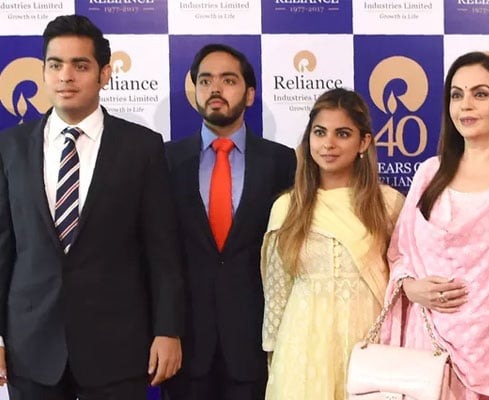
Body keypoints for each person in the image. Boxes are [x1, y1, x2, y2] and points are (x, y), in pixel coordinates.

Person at [0, 14, 185, 399]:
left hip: (117, 347)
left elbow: (163, 251)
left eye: (80, 65)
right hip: (30, 346)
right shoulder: (10, 147)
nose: (66, 76)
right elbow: (3, 249)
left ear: (105, 74)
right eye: (56, 65)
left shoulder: (143, 148)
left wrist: (168, 330)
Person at [381, 52, 489, 400]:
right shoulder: (429, 173)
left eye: (481, 93)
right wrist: (410, 287)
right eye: (457, 94)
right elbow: (399, 252)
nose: (465, 105)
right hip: (424, 357)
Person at [162, 44, 296, 400]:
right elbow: (155, 253)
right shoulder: (164, 160)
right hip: (185, 346)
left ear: (249, 94)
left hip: (254, 344)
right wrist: (163, 329)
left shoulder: (282, 162)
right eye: (205, 81)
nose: (215, 89)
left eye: (228, 80)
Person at [261, 88, 404, 399]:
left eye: (342, 133)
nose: (328, 144)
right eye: (319, 132)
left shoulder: (389, 204)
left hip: (371, 340)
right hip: (302, 346)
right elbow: (276, 293)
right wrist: (275, 359)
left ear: (364, 142)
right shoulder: (287, 207)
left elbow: (403, 282)